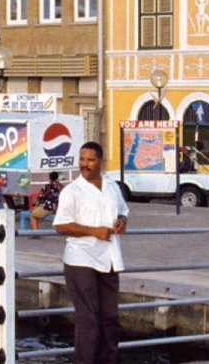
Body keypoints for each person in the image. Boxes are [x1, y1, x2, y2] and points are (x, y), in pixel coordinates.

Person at [52, 142, 128, 364]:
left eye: (90, 160)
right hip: (81, 260)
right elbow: (61, 225)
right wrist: (94, 231)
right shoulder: (72, 191)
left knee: (109, 318)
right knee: (89, 320)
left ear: (100, 162)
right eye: (82, 159)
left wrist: (122, 221)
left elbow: (123, 210)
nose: (84, 164)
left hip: (110, 259)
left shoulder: (112, 186)